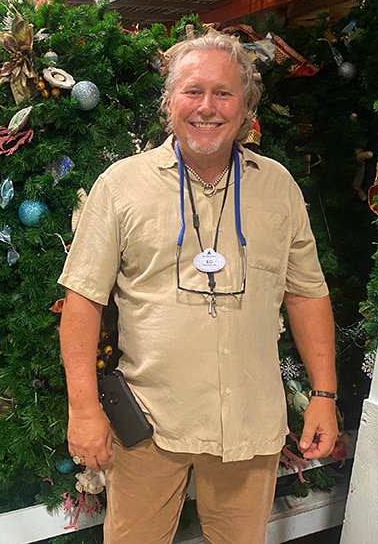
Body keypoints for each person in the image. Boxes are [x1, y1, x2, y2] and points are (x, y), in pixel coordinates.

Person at [58, 32, 338, 543]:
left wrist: (323, 393)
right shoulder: (121, 187)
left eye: (224, 93)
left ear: (245, 108)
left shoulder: (278, 188)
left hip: (248, 425)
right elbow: (82, 302)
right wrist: (83, 408)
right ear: (169, 103)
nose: (207, 107)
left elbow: (306, 294)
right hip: (149, 425)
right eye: (192, 91)